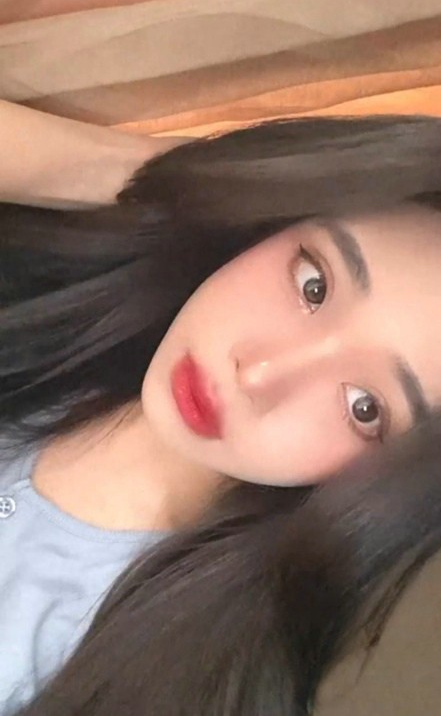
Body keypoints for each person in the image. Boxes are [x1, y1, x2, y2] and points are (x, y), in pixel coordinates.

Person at [1, 115, 441, 716]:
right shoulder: (72, 303)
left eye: (364, 407)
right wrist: (180, 183)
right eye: (312, 284)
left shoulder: (160, 674)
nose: (259, 374)